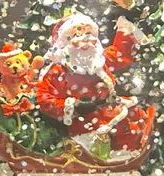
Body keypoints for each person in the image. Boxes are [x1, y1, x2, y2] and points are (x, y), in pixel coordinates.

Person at [36, 13, 150, 154]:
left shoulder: (100, 59)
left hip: (112, 109)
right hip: (86, 123)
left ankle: (132, 153)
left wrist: (124, 30)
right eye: (77, 35)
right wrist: (74, 105)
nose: (85, 39)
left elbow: (120, 54)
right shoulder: (58, 70)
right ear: (65, 42)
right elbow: (44, 99)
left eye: (88, 33)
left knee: (135, 122)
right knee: (99, 146)